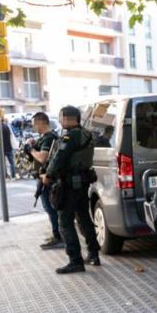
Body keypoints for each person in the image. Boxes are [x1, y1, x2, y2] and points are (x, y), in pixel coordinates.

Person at [44, 105, 100, 274]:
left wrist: (48, 174)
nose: (60, 121)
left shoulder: (71, 136)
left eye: (61, 118)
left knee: (65, 222)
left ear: (66, 118)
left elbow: (60, 158)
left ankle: (75, 261)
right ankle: (93, 254)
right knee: (84, 218)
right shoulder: (86, 133)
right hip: (82, 182)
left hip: (69, 184)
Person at [28, 112, 63, 249]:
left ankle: (59, 237)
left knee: (51, 208)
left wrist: (30, 150)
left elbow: (42, 157)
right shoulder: (47, 137)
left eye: (34, 124)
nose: (34, 127)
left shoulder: (49, 138)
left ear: (41, 122)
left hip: (48, 178)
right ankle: (57, 235)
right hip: (45, 177)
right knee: (50, 208)